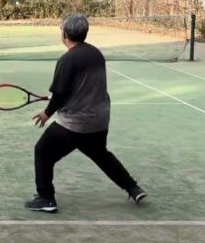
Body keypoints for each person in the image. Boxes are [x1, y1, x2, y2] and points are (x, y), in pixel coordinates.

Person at [26, 14, 146, 213]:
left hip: (75, 124)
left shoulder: (67, 60)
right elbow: (82, 87)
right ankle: (133, 188)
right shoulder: (96, 54)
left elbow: (60, 94)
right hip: (99, 121)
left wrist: (47, 113)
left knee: (43, 151)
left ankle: (46, 198)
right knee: (100, 155)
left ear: (65, 34)